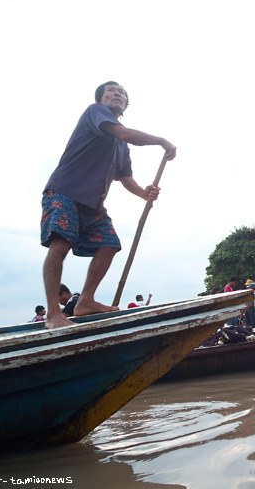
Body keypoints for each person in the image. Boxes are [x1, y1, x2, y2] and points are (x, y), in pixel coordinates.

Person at [41, 81, 176, 330]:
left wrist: (143, 193)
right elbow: (125, 133)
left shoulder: (121, 146)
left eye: (121, 93)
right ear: (101, 99)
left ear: (125, 105)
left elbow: (125, 177)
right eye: (111, 91)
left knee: (109, 244)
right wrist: (161, 141)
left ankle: (85, 301)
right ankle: (53, 314)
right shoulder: (95, 113)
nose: (117, 94)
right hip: (65, 191)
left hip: (92, 204)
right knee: (60, 244)